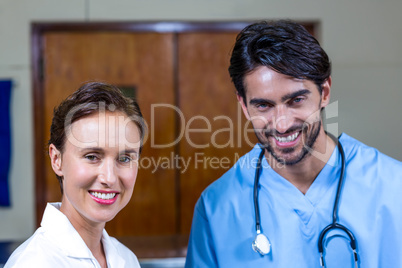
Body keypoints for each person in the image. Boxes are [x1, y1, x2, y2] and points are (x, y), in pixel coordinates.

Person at [185, 20, 402, 267]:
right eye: (263, 105)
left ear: (325, 92)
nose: (282, 124)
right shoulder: (217, 208)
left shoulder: (394, 189)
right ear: (244, 106)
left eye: (296, 100)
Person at [5, 82, 145, 267]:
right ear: (57, 160)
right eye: (92, 156)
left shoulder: (126, 259)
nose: (109, 178)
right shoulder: (34, 262)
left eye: (125, 159)